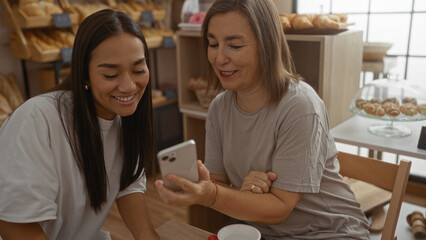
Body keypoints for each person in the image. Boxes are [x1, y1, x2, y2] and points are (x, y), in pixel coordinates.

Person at [155, 0, 370, 239]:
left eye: (234, 45)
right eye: (213, 44)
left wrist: (213, 194)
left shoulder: (300, 106)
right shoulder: (218, 108)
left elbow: (279, 208)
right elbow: (220, 185)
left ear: (267, 45)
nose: (219, 58)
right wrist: (234, 191)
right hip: (262, 231)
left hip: (328, 232)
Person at [0, 9, 160, 240]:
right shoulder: (38, 119)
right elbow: (14, 225)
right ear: (84, 75)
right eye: (110, 75)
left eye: (138, 70)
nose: (128, 86)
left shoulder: (126, 118)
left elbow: (129, 185)